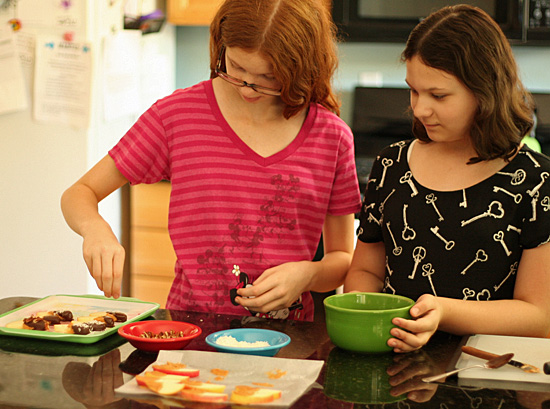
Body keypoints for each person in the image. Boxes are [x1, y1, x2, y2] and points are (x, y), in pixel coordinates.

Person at [61, 0, 361, 321]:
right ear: (221, 45)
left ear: (302, 68)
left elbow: (343, 257)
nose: (247, 87)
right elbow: (80, 193)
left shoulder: (331, 137)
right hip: (190, 330)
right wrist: (96, 230)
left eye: (268, 77)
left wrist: (309, 275)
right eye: (237, 67)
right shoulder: (177, 116)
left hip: (289, 342)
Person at [344, 4, 550, 352]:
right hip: (392, 366)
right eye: (413, 90)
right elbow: (365, 273)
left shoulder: (535, 180)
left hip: (486, 375)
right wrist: (371, 320)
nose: (420, 109)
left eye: (438, 95)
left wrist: (443, 311)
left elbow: (539, 317)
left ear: (485, 92)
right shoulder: (392, 164)